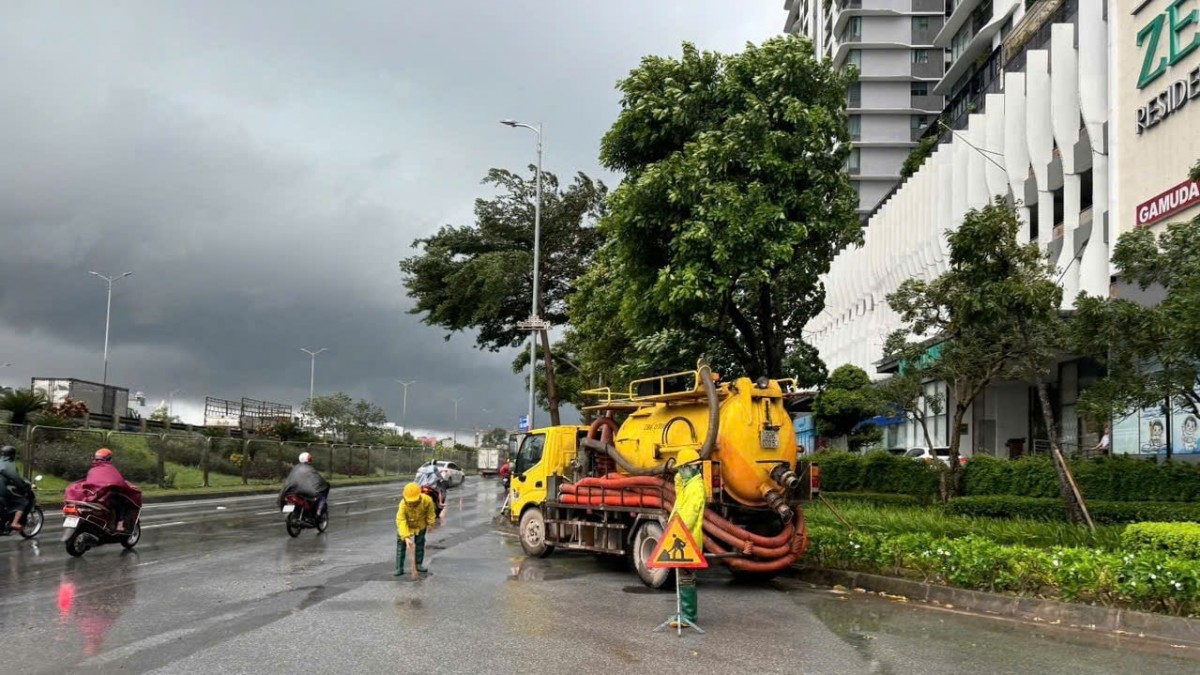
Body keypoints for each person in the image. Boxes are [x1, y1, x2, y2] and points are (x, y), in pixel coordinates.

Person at [671, 447, 706, 627]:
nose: (679, 472)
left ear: (690, 467)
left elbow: (689, 515)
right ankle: (684, 615)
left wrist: (675, 532)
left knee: (686, 577)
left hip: (687, 539)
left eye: (681, 468)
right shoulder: (689, 485)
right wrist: (678, 478)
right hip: (683, 539)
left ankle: (688, 617)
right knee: (683, 576)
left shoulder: (696, 488)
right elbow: (680, 497)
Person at [84, 448, 136, 532]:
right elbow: (119, 482)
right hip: (104, 497)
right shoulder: (110, 469)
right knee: (121, 503)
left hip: (91, 496)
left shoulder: (92, 469)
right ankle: (120, 524)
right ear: (109, 458)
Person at [394, 482, 437, 576]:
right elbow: (401, 520)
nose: (412, 503)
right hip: (406, 526)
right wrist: (406, 537)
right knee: (401, 546)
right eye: (410, 502)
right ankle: (399, 567)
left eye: (414, 501)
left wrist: (430, 523)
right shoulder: (403, 505)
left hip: (420, 525)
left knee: (420, 544)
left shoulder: (427, 500)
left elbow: (431, 512)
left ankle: (418, 564)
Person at [278, 452, 330, 517]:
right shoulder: (310, 469)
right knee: (320, 496)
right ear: (309, 459)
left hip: (294, 490)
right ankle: (318, 513)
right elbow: (318, 478)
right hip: (304, 491)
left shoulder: (296, 468)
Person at [0, 445, 31, 532]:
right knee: (22, 501)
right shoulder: (9, 464)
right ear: (12, 455)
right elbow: (15, 477)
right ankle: (15, 522)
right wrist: (24, 487)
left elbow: (4, 477)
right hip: (1, 490)